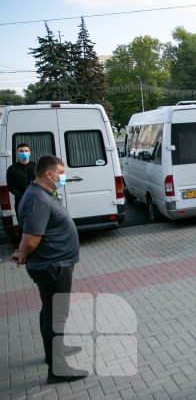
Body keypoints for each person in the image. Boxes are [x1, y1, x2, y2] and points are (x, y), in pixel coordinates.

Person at [10, 155, 88, 384]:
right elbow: (31, 238)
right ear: (48, 174)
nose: (63, 176)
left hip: (54, 264)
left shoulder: (40, 194)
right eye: (61, 172)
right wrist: (22, 253)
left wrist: (22, 252)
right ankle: (58, 370)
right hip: (53, 267)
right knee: (56, 316)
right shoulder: (37, 199)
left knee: (51, 312)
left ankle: (55, 351)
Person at [6, 143, 36, 216]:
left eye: (26, 151)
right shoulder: (12, 168)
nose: (24, 153)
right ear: (17, 153)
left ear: (29, 153)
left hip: (35, 201)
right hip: (20, 201)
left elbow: (41, 182)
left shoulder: (36, 166)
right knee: (22, 224)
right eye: (21, 151)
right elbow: (10, 187)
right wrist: (22, 196)